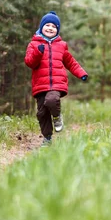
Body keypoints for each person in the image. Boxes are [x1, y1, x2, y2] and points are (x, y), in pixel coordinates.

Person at [24, 11, 88, 146]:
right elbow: (30, 62)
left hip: (57, 84)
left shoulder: (61, 45)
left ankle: (57, 117)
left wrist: (81, 73)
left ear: (57, 30)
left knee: (52, 100)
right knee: (42, 113)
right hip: (40, 85)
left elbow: (71, 62)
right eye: (47, 25)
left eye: (54, 26)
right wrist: (38, 52)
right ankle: (47, 138)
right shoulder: (34, 44)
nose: (50, 28)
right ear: (41, 27)